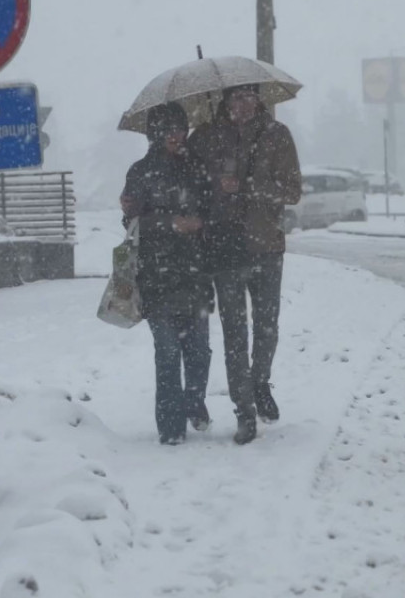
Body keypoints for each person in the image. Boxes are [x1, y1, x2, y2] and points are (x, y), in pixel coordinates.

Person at [189, 84, 302, 445]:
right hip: (224, 249)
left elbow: (292, 191)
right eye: (236, 97)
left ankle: (260, 381)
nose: (244, 103)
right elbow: (190, 184)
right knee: (235, 334)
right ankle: (244, 410)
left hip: (266, 245)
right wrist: (213, 186)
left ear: (259, 99)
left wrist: (249, 185)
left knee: (267, 327)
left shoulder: (277, 135)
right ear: (224, 100)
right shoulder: (206, 137)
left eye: (250, 96)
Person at [120, 102, 215, 445]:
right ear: (156, 134)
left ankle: (193, 402)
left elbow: (210, 209)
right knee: (168, 352)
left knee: (199, 350)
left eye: (182, 128)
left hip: (196, 274)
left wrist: (202, 222)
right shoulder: (141, 172)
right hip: (156, 275)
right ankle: (171, 426)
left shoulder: (197, 166)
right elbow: (131, 224)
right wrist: (171, 223)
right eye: (170, 129)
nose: (178, 135)